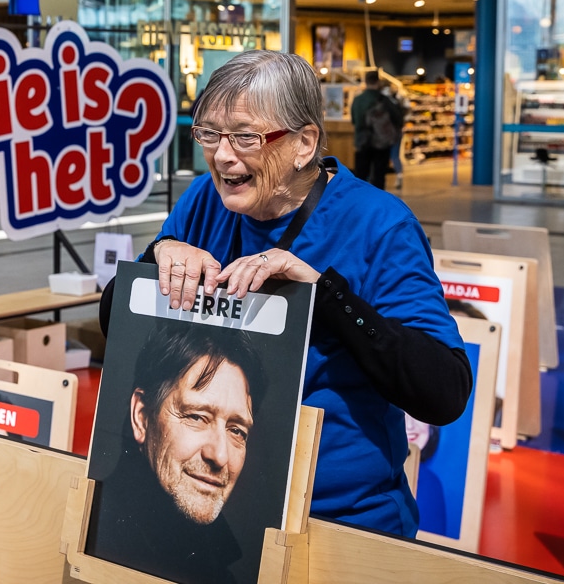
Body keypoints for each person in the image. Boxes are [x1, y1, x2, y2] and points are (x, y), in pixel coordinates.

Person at [101, 50, 470, 538]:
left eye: (246, 137)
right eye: (209, 134)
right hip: (216, 515)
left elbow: (443, 390)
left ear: (303, 143)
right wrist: (160, 255)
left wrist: (325, 295)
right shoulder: (203, 201)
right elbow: (118, 326)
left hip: (339, 518)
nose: (223, 156)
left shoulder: (380, 224)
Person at [89, 321, 266, 583]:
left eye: (237, 431)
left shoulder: (221, 572)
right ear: (142, 417)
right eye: (196, 417)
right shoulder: (96, 540)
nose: (220, 456)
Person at [351, 69, 404, 190]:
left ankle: (359, 202)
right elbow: (398, 119)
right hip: (381, 143)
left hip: (362, 141)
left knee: (361, 175)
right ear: (378, 82)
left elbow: (354, 121)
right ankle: (377, 202)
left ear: (366, 81)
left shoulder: (358, 100)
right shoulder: (385, 100)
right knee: (379, 175)